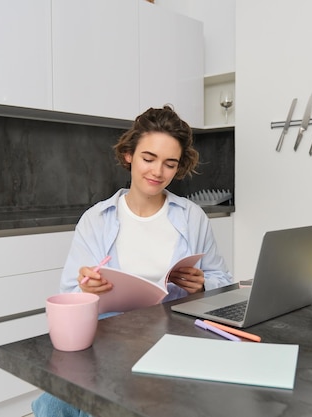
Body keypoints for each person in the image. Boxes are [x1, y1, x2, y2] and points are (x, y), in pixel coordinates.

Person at [32, 105, 233, 417]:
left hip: (172, 333)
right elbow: (70, 292)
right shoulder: (97, 219)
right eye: (148, 158)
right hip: (111, 335)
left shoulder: (193, 217)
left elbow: (224, 283)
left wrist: (204, 283)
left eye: (169, 164)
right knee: (80, 393)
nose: (157, 172)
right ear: (128, 155)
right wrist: (88, 289)